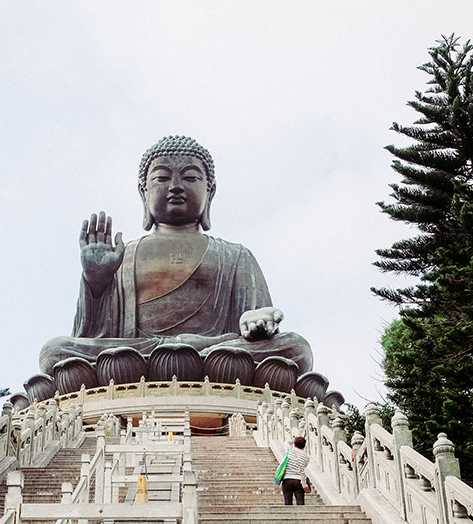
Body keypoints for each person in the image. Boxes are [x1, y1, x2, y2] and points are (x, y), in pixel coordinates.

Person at [39, 135, 314, 375]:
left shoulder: (235, 255)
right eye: (161, 178)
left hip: (215, 351)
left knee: (295, 349)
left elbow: (258, 324)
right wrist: (96, 283)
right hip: (137, 354)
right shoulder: (123, 255)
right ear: (143, 192)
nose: (176, 186)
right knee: (55, 352)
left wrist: (255, 322)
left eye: (190, 177)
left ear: (210, 191)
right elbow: (90, 335)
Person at [280, 435, 310, 506]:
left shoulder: (290, 451)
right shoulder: (306, 457)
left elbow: (287, 442)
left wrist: (295, 440)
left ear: (295, 443)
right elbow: (304, 466)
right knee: (300, 502)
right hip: (299, 481)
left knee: (288, 502)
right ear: (304, 446)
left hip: (287, 480)